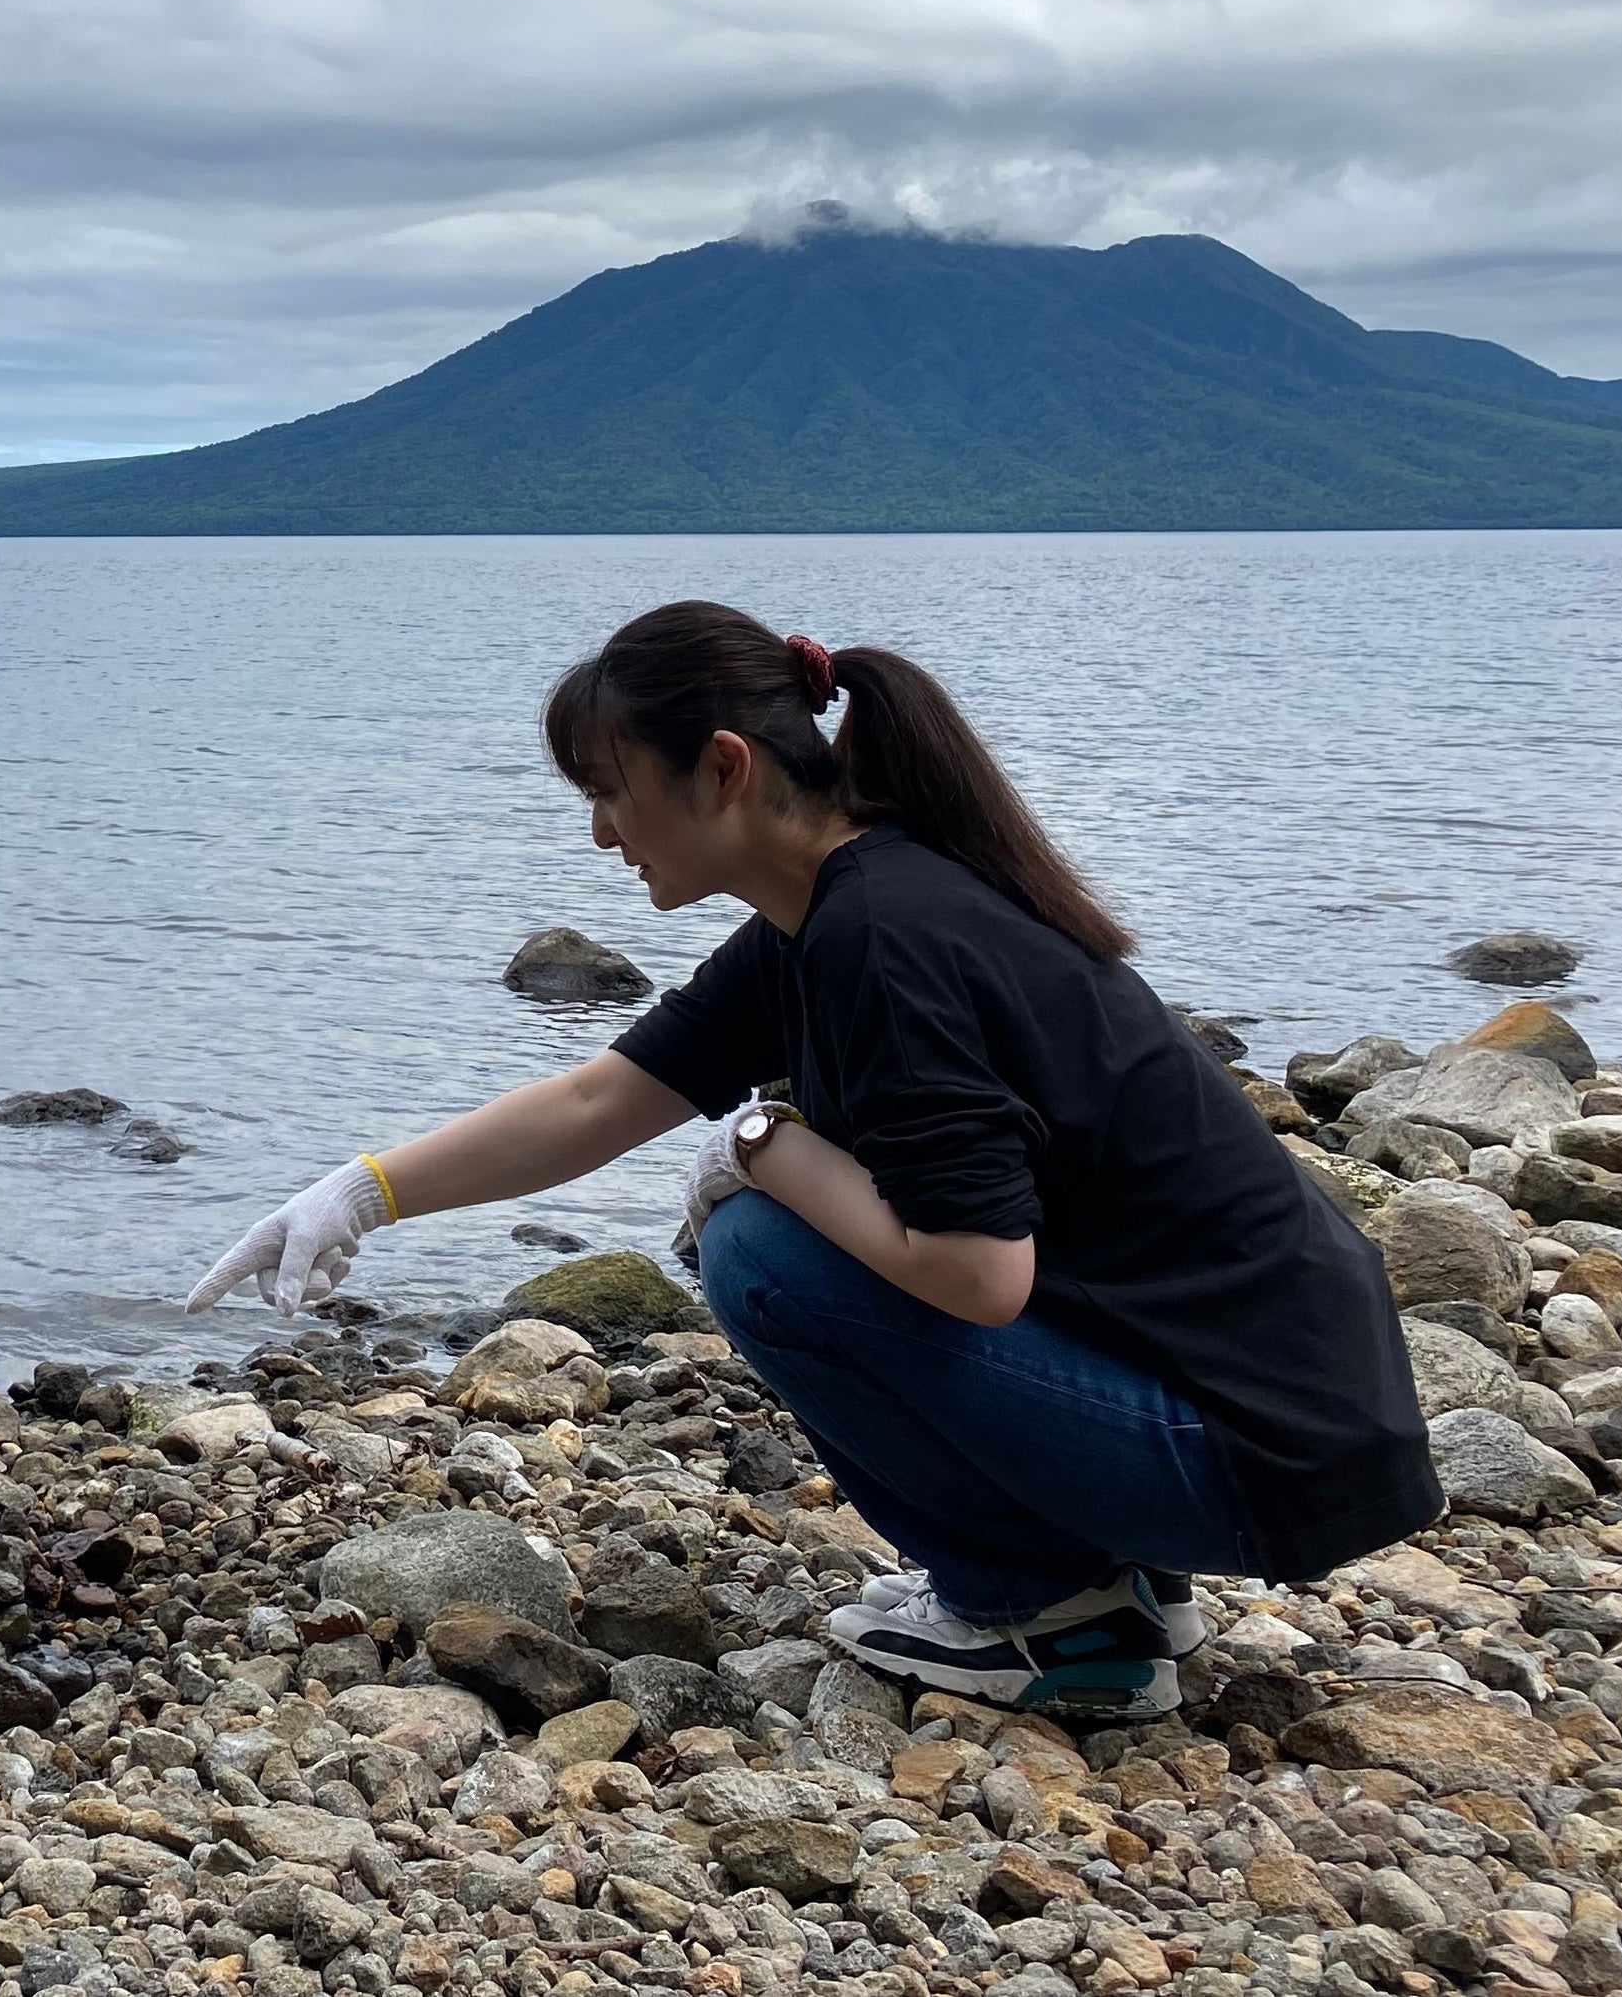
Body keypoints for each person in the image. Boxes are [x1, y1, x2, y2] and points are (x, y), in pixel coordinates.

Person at [190, 600, 1433, 1713]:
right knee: (772, 1211)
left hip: (1248, 1459)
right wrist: (364, 1192)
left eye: (610, 791)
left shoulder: (881, 938)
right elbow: (596, 1099)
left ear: (722, 769)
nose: (600, 834)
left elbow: (981, 1275)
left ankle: (1059, 1621)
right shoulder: (841, 912)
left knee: (762, 1249)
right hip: (1286, 1428)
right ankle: (1110, 1585)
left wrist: (755, 1143)